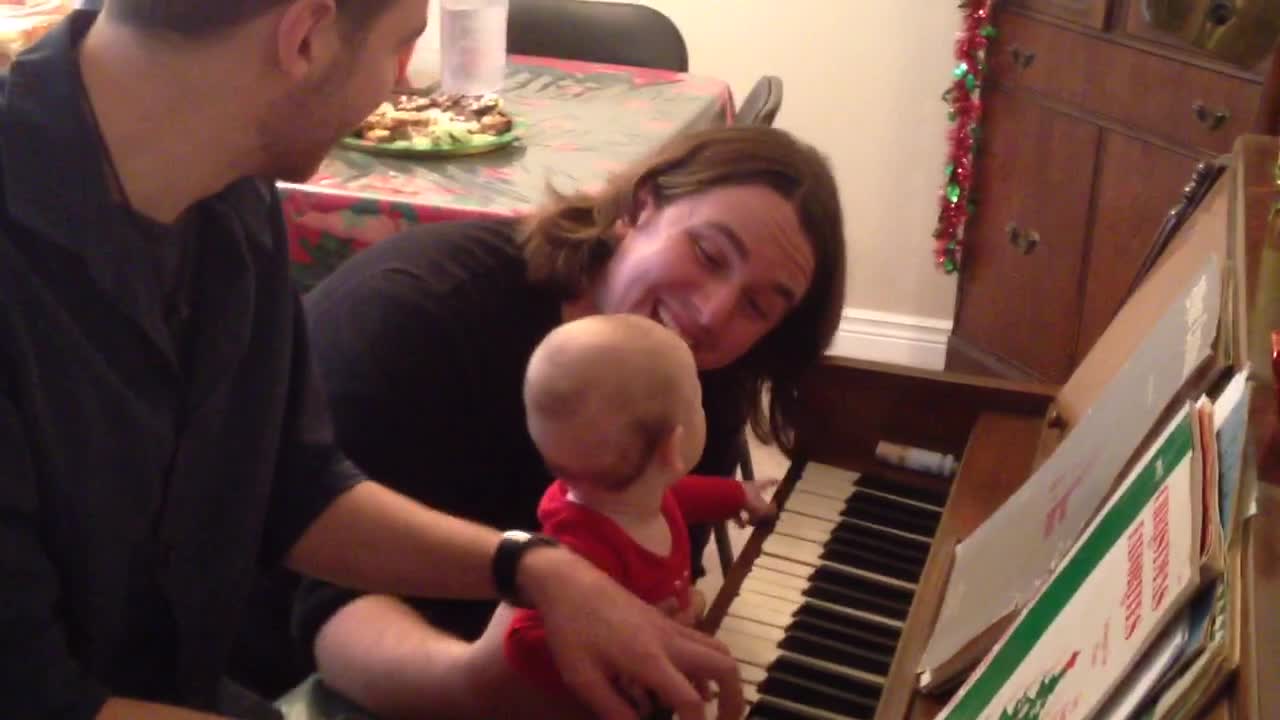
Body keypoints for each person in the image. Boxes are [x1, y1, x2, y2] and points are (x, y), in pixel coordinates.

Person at [0, 3, 745, 719]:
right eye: (402, 44)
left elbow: (295, 489)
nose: (405, 84)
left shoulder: (228, 186)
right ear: (306, 35)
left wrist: (538, 568)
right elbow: (39, 700)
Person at [297, 123, 848, 715]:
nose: (713, 314)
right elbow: (318, 607)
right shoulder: (414, 318)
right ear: (642, 207)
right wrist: (478, 682)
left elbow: (647, 551)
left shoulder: (699, 375)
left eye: (758, 306)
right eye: (709, 254)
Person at [499, 314, 780, 716]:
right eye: (698, 402)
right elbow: (522, 639)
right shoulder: (582, 547)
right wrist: (624, 641)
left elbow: (679, 496)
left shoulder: (638, 493)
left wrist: (736, 495)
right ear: (674, 447)